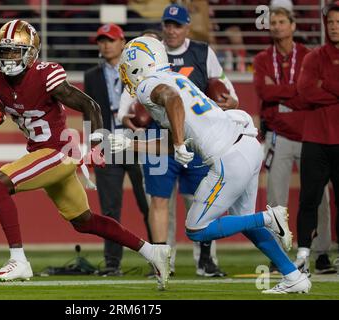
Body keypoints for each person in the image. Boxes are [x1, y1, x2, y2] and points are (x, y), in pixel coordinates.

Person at [0, 20, 171, 290]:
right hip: (41, 153)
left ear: (31, 53)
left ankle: (18, 261)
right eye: (3, 52)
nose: (7, 59)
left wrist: (97, 143)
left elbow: (90, 105)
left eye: (14, 52)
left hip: (57, 151)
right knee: (84, 221)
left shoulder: (45, 76)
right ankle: (152, 252)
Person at [111, 36, 311, 293]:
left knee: (196, 228)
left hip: (228, 158)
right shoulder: (177, 77)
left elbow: (171, 101)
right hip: (247, 146)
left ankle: (268, 217)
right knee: (243, 220)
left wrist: (181, 143)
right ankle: (293, 276)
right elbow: (173, 138)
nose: (127, 77)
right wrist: (131, 144)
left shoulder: (149, 85)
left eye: (128, 69)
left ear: (138, 65)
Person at [120, 4, 239, 277]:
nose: (172, 30)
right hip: (158, 136)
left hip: (194, 137)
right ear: (162, 26)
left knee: (202, 198)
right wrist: (127, 115)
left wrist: (229, 102)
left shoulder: (202, 51)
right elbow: (130, 95)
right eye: (168, 24)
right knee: (159, 200)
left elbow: (227, 91)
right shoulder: (148, 52)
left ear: (187, 27)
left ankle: (206, 259)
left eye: (177, 25)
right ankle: (162, 259)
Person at [253, 7, 335, 275]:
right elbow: (265, 90)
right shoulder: (264, 58)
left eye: (281, 22)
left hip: (312, 133)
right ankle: (281, 256)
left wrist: (292, 94)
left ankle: (322, 254)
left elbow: (304, 92)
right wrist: (303, 91)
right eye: (272, 22)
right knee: (277, 199)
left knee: (319, 198)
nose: (276, 27)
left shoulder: (308, 55)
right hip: (280, 134)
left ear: (293, 25)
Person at [84, 24, 151, 276]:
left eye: (111, 40)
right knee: (110, 209)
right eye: (101, 40)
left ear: (123, 42)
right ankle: (112, 263)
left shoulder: (140, 70)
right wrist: (93, 149)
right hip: (109, 145)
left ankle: (159, 257)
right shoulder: (91, 76)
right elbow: (89, 115)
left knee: (149, 205)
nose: (106, 45)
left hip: (138, 144)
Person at [294, 2, 339, 273]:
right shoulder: (313, 57)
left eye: (338, 22)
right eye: (331, 22)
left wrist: (326, 83)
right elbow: (305, 92)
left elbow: (316, 89)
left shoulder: (316, 62)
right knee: (309, 199)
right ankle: (302, 256)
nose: (334, 26)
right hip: (315, 139)